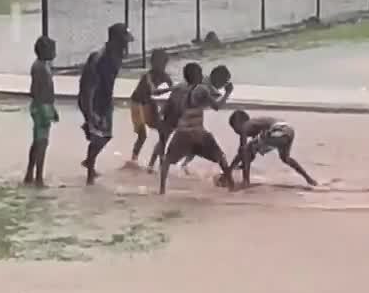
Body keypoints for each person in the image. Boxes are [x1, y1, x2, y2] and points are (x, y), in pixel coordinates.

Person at [159, 63, 235, 195]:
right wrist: (228, 93)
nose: (202, 75)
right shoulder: (202, 89)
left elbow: (175, 104)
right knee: (220, 157)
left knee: (167, 160)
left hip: (182, 131)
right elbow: (217, 106)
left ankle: (161, 190)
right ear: (195, 76)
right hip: (198, 132)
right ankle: (232, 187)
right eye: (199, 73)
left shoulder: (183, 89)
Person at [78, 22, 133, 185]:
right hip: (93, 101)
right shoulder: (100, 59)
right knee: (98, 136)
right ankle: (89, 174)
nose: (126, 46)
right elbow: (88, 88)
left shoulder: (116, 56)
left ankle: (89, 162)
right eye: (124, 41)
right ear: (116, 40)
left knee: (106, 135)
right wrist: (90, 114)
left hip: (105, 101)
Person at [226, 110, 317, 188]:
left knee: (247, 149)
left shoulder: (246, 125)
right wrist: (242, 164)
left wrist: (230, 169)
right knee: (285, 158)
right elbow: (250, 155)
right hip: (288, 130)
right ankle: (309, 179)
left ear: (238, 123)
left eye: (235, 129)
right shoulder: (257, 127)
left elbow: (243, 150)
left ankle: (245, 181)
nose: (237, 132)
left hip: (279, 129)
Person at [128, 48, 172, 167]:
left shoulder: (165, 76)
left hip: (149, 102)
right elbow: (154, 91)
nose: (162, 66)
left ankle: (156, 162)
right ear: (152, 63)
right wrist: (170, 89)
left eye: (164, 63)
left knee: (163, 131)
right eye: (159, 63)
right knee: (142, 135)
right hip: (137, 103)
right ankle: (133, 160)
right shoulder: (148, 76)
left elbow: (173, 93)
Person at [25, 36, 59, 188]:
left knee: (37, 142)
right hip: (42, 107)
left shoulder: (40, 65)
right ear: (45, 51)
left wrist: (52, 108)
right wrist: (46, 110)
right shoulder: (40, 68)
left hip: (42, 106)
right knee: (42, 143)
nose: (55, 52)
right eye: (52, 49)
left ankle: (30, 174)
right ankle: (38, 177)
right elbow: (38, 91)